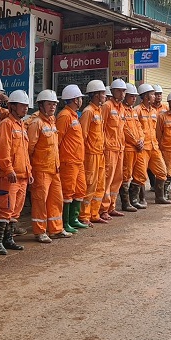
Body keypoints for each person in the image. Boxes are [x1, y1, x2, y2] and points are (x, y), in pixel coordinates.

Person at [0, 90, 33, 253]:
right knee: (5, 209)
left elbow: (24, 151)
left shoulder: (21, 125)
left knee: (15, 210)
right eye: (22, 105)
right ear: (12, 106)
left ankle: (8, 239)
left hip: (21, 176)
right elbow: (3, 150)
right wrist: (8, 169)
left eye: (26, 105)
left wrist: (29, 172)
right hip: (9, 177)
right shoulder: (6, 125)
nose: (25, 108)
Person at [27, 90, 65, 242]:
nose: (52, 107)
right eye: (49, 104)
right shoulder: (36, 123)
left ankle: (55, 229)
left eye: (54, 104)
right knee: (40, 202)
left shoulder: (52, 121)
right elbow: (29, 148)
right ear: (41, 105)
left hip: (54, 169)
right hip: (41, 169)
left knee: (56, 199)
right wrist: (29, 169)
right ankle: (40, 231)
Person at [57, 84, 89, 232]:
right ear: (75, 100)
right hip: (68, 161)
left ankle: (74, 219)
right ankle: (65, 222)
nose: (81, 100)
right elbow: (58, 139)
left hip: (78, 160)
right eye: (80, 98)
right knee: (68, 192)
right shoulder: (64, 116)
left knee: (80, 189)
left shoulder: (74, 115)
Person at [80, 80, 107, 223]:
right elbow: (83, 136)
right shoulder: (88, 112)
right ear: (95, 95)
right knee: (90, 185)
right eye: (102, 93)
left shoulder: (99, 111)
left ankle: (94, 214)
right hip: (90, 155)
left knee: (100, 185)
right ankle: (84, 216)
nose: (104, 95)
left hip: (100, 153)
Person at [101, 79, 128, 217]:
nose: (122, 93)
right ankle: (103, 209)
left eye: (123, 91)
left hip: (119, 148)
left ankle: (111, 206)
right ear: (112, 92)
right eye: (119, 90)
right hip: (109, 149)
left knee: (117, 179)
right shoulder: (107, 106)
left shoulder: (122, 109)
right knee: (107, 179)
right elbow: (101, 127)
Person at [121, 83, 143, 211]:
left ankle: (134, 199)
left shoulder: (133, 111)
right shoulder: (122, 110)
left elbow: (139, 127)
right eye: (131, 96)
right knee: (126, 175)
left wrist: (141, 140)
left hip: (137, 148)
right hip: (128, 148)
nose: (134, 99)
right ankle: (126, 202)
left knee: (140, 174)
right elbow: (125, 129)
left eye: (135, 96)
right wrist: (135, 141)